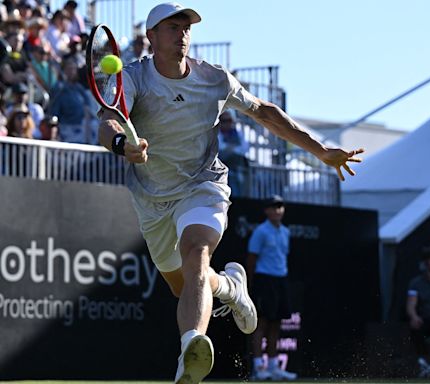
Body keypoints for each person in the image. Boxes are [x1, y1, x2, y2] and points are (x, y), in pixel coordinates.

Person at [97, 3, 364, 384]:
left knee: (197, 253)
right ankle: (232, 288)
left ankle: (190, 349)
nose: (182, 35)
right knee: (184, 283)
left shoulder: (215, 78)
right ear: (151, 37)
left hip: (202, 185)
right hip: (151, 197)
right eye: (172, 28)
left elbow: (265, 112)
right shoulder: (131, 78)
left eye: (186, 28)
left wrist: (320, 151)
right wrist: (123, 144)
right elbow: (107, 123)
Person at [247, 195, 297, 381]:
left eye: (280, 206)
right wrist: (251, 284)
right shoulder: (260, 232)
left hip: (281, 280)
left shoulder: (285, 232)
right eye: (273, 207)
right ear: (266, 210)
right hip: (264, 280)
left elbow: (283, 257)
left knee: (276, 324)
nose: (277, 210)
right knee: (262, 324)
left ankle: (274, 367)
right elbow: (251, 259)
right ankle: (259, 368)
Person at [218, 110, 250, 196]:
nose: (227, 123)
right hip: (222, 172)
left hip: (238, 172)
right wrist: (233, 148)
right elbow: (219, 147)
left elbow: (245, 149)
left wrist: (229, 148)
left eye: (229, 120)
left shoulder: (238, 133)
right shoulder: (216, 133)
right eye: (223, 120)